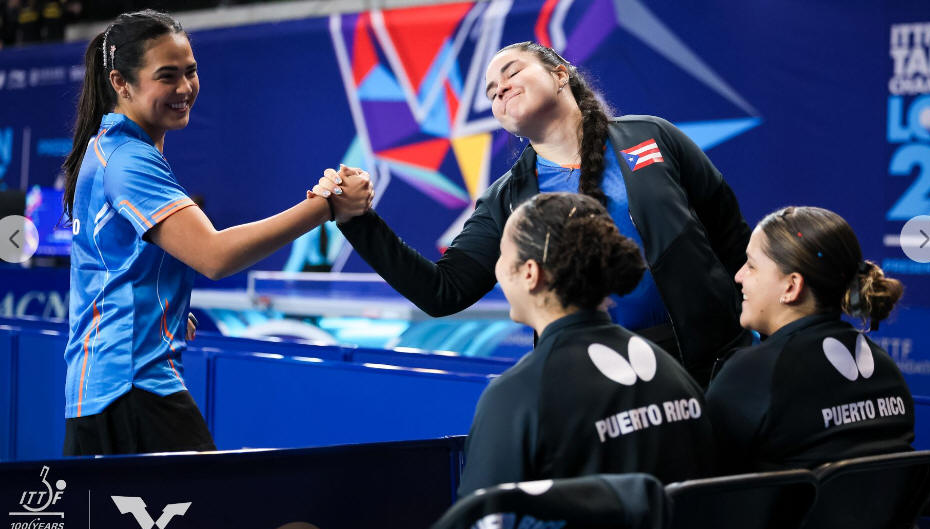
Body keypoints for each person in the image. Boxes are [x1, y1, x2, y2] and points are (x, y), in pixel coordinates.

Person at [337, 41, 750, 384]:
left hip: (717, 367)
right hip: (599, 386)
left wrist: (753, 336)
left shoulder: (652, 136)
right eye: (491, 92)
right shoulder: (507, 200)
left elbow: (730, 236)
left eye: (512, 73)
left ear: (560, 74)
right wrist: (358, 221)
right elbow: (442, 291)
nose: (500, 90)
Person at [60, 9, 371, 456]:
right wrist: (327, 205)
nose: (185, 87)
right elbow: (214, 256)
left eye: (190, 71)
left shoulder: (110, 148)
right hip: (132, 389)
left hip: (112, 386)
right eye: (167, 76)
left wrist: (161, 311)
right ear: (121, 83)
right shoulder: (128, 160)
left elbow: (115, 265)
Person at [457, 192, 715, 497]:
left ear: (530, 273)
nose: (497, 269)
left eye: (502, 254)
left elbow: (483, 515)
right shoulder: (673, 372)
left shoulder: (516, 397)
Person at [705, 206, 914, 474]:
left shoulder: (752, 373)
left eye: (751, 266)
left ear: (791, 286)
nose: (738, 276)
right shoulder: (887, 369)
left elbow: (697, 474)